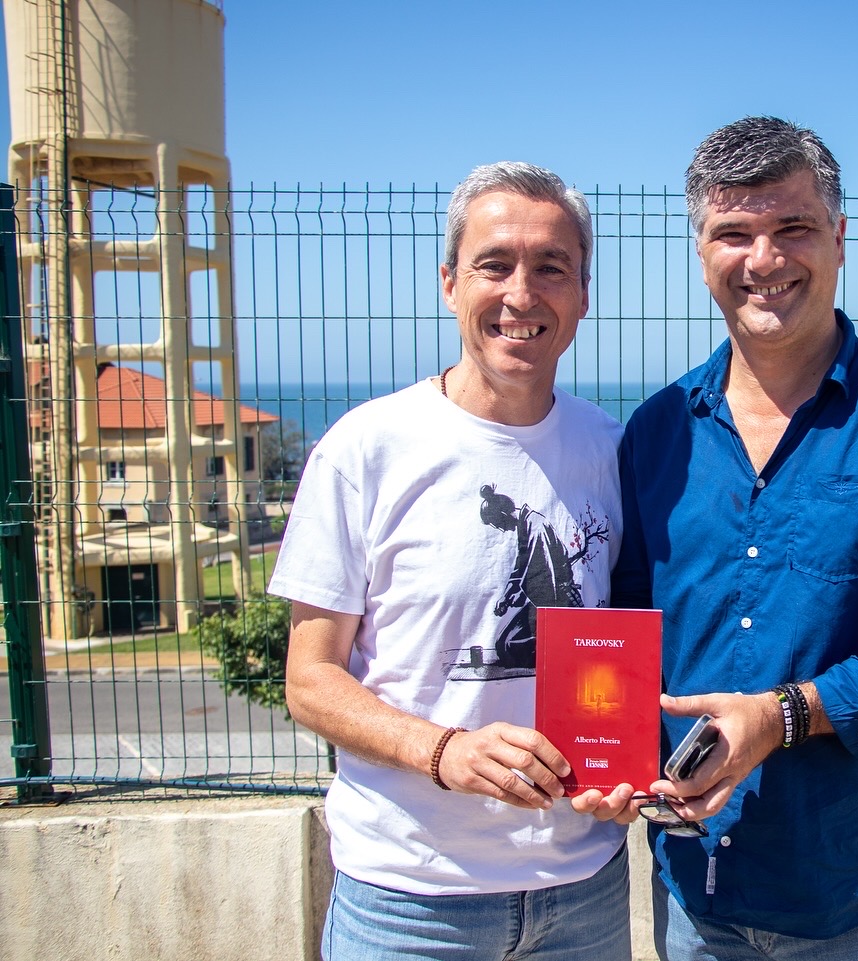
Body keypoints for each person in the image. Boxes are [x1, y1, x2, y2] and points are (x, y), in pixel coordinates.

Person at [612, 117, 858, 959]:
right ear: (701, 251)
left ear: (838, 238)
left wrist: (783, 715)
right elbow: (626, 630)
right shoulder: (655, 431)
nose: (764, 258)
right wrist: (605, 756)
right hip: (694, 891)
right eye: (733, 232)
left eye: (792, 226)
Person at [269, 161, 637, 961]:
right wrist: (446, 751)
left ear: (583, 294)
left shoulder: (615, 451)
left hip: (585, 890)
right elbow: (310, 678)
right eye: (494, 264)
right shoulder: (364, 450)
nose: (521, 294)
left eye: (551, 268)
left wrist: (632, 768)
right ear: (449, 283)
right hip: (406, 901)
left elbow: (628, 651)